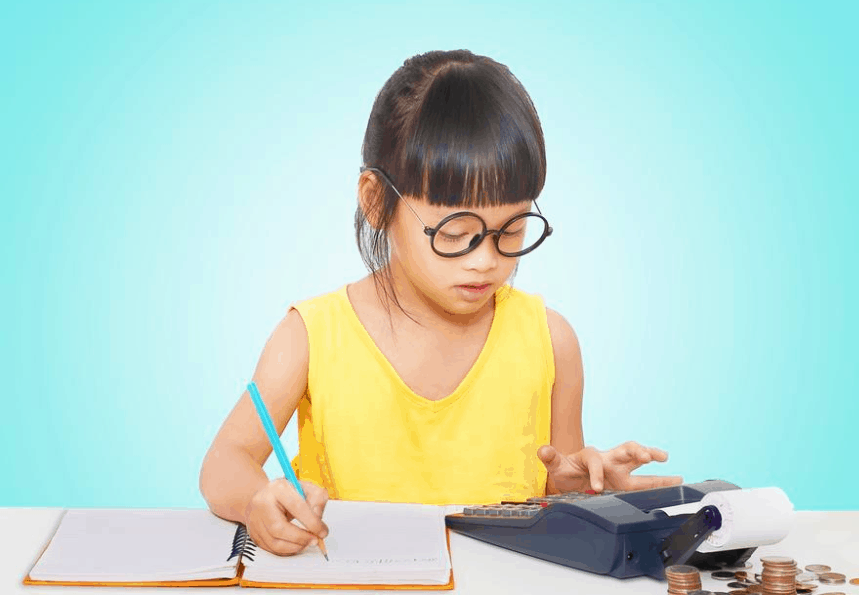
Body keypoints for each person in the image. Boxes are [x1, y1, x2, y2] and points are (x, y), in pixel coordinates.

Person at [199, 49, 682, 557]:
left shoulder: (550, 340)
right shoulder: (312, 336)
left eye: (511, 229)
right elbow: (223, 464)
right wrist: (259, 501)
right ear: (376, 201)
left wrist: (577, 488)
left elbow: (552, 496)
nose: (487, 261)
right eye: (456, 232)